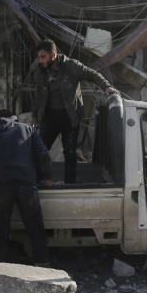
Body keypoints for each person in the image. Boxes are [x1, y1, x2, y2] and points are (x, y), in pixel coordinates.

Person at [0, 109, 53, 265]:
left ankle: (0, 267)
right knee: (35, 227)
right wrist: (47, 178)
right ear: (13, 118)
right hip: (26, 184)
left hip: (1, 186)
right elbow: (43, 155)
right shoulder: (28, 129)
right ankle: (42, 264)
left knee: (0, 230)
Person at [31, 39, 117, 184]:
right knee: (41, 150)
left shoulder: (71, 66)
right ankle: (41, 182)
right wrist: (35, 115)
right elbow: (38, 96)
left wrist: (107, 87)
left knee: (70, 153)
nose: (40, 61)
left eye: (43, 57)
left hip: (69, 117)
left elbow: (91, 74)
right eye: (39, 57)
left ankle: (69, 185)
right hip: (49, 116)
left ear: (53, 55)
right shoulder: (40, 71)